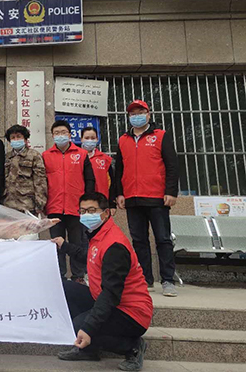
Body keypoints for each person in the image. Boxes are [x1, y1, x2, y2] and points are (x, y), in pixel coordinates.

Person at [53, 192, 152, 372]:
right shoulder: (99, 234)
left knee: (80, 326)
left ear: (106, 213)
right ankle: (89, 351)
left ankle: (132, 347)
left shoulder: (115, 245)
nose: (86, 215)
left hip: (131, 313)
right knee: (64, 288)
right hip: (108, 300)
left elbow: (111, 294)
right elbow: (90, 256)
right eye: (83, 211)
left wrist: (88, 328)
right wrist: (64, 245)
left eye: (92, 210)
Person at [115, 100, 179, 297]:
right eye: (133, 113)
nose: (137, 116)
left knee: (163, 239)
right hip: (132, 198)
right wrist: (119, 193)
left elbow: (172, 165)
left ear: (148, 114)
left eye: (140, 112)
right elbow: (119, 169)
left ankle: (168, 280)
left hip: (157, 197)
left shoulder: (161, 136)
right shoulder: (123, 139)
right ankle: (145, 279)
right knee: (139, 241)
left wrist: (171, 191)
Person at [42, 120, 95, 283]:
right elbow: (42, 182)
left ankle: (78, 276)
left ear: (70, 135)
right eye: (57, 133)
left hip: (76, 208)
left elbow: (90, 180)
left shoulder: (82, 154)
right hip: (54, 207)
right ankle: (60, 277)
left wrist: (87, 205)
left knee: (77, 243)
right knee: (56, 244)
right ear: (52, 136)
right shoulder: (46, 156)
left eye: (63, 132)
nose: (60, 136)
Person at [1, 124, 48, 215]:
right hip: (8, 205)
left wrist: (40, 204)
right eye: (13, 137)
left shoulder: (34, 155)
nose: (16, 139)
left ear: (25, 139)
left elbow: (40, 181)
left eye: (19, 137)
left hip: (27, 205)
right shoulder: (7, 157)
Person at [80, 127, 115, 204]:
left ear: (97, 139)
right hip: (80, 201)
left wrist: (112, 203)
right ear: (81, 139)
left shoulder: (105, 159)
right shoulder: (76, 158)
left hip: (101, 201)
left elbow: (111, 182)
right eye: (87, 138)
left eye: (93, 138)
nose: (90, 140)